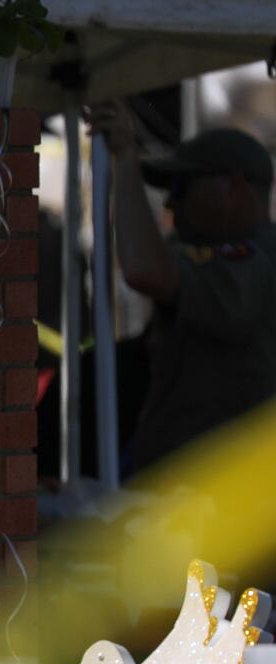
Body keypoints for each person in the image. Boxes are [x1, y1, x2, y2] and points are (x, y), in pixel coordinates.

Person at [91, 102, 276, 477]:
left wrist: (126, 160)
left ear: (235, 187)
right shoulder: (208, 251)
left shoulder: (255, 261)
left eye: (183, 187)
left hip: (221, 495)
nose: (173, 203)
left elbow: (144, 269)